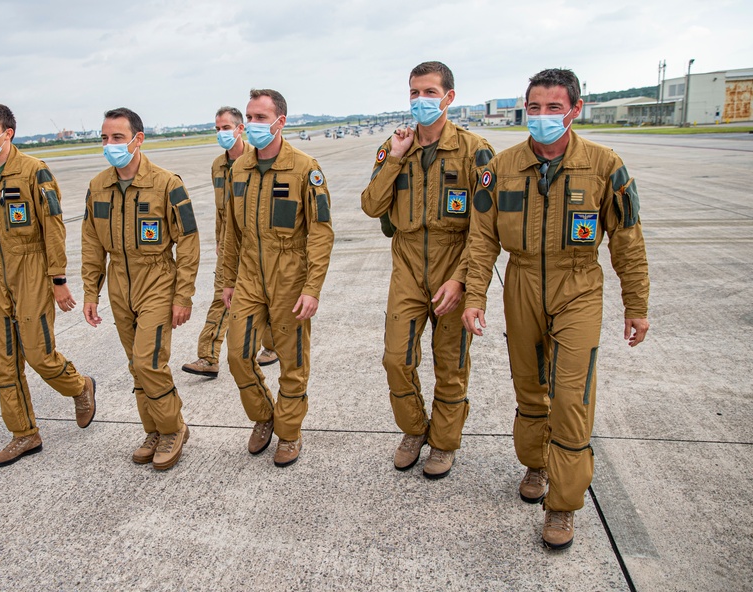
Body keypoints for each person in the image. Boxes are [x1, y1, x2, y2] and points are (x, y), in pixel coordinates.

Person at [462, 68, 650, 549]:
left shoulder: (605, 165)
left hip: (579, 286)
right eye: (534, 108)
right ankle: (535, 464)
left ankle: (562, 507)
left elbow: (626, 240)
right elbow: (482, 240)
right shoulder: (500, 168)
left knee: (571, 399)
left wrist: (637, 304)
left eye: (553, 107)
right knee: (529, 390)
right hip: (521, 282)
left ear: (575, 110)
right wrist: (475, 295)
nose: (542, 117)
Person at [361, 61, 495, 479]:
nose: (421, 101)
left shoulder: (476, 151)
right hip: (406, 267)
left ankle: (443, 443)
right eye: (414, 93)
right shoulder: (394, 146)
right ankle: (415, 429)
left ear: (449, 97)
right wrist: (395, 161)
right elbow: (371, 205)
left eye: (430, 93)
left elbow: (486, 229)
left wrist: (462, 279)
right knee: (395, 359)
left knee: (450, 365)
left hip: (454, 263)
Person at [0, 103, 96, 468]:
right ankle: (24, 434)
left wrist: (58, 279)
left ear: (7, 133)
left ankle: (80, 386)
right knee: (4, 363)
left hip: (32, 271)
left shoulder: (33, 171)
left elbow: (53, 226)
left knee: (39, 354)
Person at [81, 107, 200, 471]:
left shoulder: (167, 184)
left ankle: (172, 429)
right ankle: (152, 429)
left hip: (157, 280)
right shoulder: (98, 186)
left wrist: (183, 295)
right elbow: (90, 242)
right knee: (136, 366)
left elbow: (189, 241)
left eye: (117, 137)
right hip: (119, 281)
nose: (110, 145)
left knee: (149, 361)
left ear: (138, 139)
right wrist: (90, 291)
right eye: (104, 138)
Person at [221, 89, 334, 467]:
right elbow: (231, 232)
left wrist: (312, 287)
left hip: (290, 276)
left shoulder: (305, 168)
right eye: (249, 117)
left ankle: (289, 432)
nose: (251, 125)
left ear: (280, 122)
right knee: (237, 355)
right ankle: (264, 416)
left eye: (259, 118)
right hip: (250, 274)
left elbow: (321, 232)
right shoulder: (239, 169)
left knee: (293, 361)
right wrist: (227, 279)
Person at [181, 106, 278, 379]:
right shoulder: (218, 166)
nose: (221, 133)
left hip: (259, 244)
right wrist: (220, 242)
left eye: (225, 128)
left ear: (239, 128)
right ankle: (208, 356)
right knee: (221, 296)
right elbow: (221, 210)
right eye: (217, 129)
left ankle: (271, 345)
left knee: (266, 298)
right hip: (230, 245)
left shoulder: (257, 157)